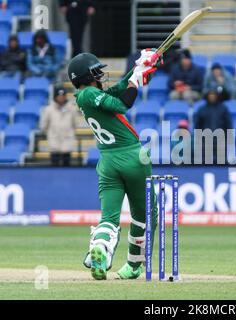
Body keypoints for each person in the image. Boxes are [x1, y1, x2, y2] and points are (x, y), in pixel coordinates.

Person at [67, 50, 161, 280]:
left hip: (108, 162)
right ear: (84, 77)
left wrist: (138, 69)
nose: (100, 76)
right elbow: (123, 103)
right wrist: (134, 80)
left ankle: (100, 251)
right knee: (145, 214)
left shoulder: (87, 96)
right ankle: (133, 265)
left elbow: (118, 89)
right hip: (132, 157)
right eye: (95, 72)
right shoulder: (88, 94)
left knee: (109, 217)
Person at [40, 86, 78, 167]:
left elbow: (75, 123)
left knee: (66, 162)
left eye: (63, 96)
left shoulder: (72, 108)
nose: (61, 98)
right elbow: (44, 124)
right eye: (59, 96)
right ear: (55, 96)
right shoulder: (48, 109)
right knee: (54, 162)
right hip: (54, 138)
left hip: (67, 137)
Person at [194, 90, 233, 164]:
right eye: (210, 95)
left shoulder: (223, 109)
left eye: (213, 95)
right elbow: (198, 125)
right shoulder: (202, 109)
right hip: (205, 139)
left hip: (220, 139)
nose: (212, 97)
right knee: (204, 161)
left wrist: (228, 137)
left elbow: (228, 124)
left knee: (221, 161)